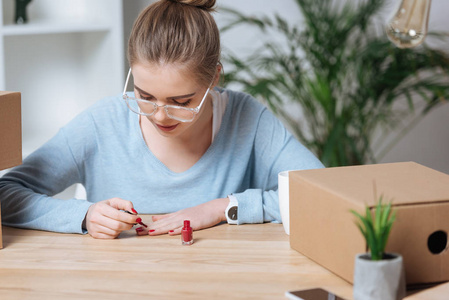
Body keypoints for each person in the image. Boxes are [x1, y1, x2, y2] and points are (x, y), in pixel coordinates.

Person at [0, 0, 324, 239]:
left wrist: (222, 207)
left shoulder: (247, 118)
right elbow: (5, 192)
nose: (159, 115)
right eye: (144, 95)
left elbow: (322, 193)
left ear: (214, 79)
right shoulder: (101, 123)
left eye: (181, 102)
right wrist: (84, 214)